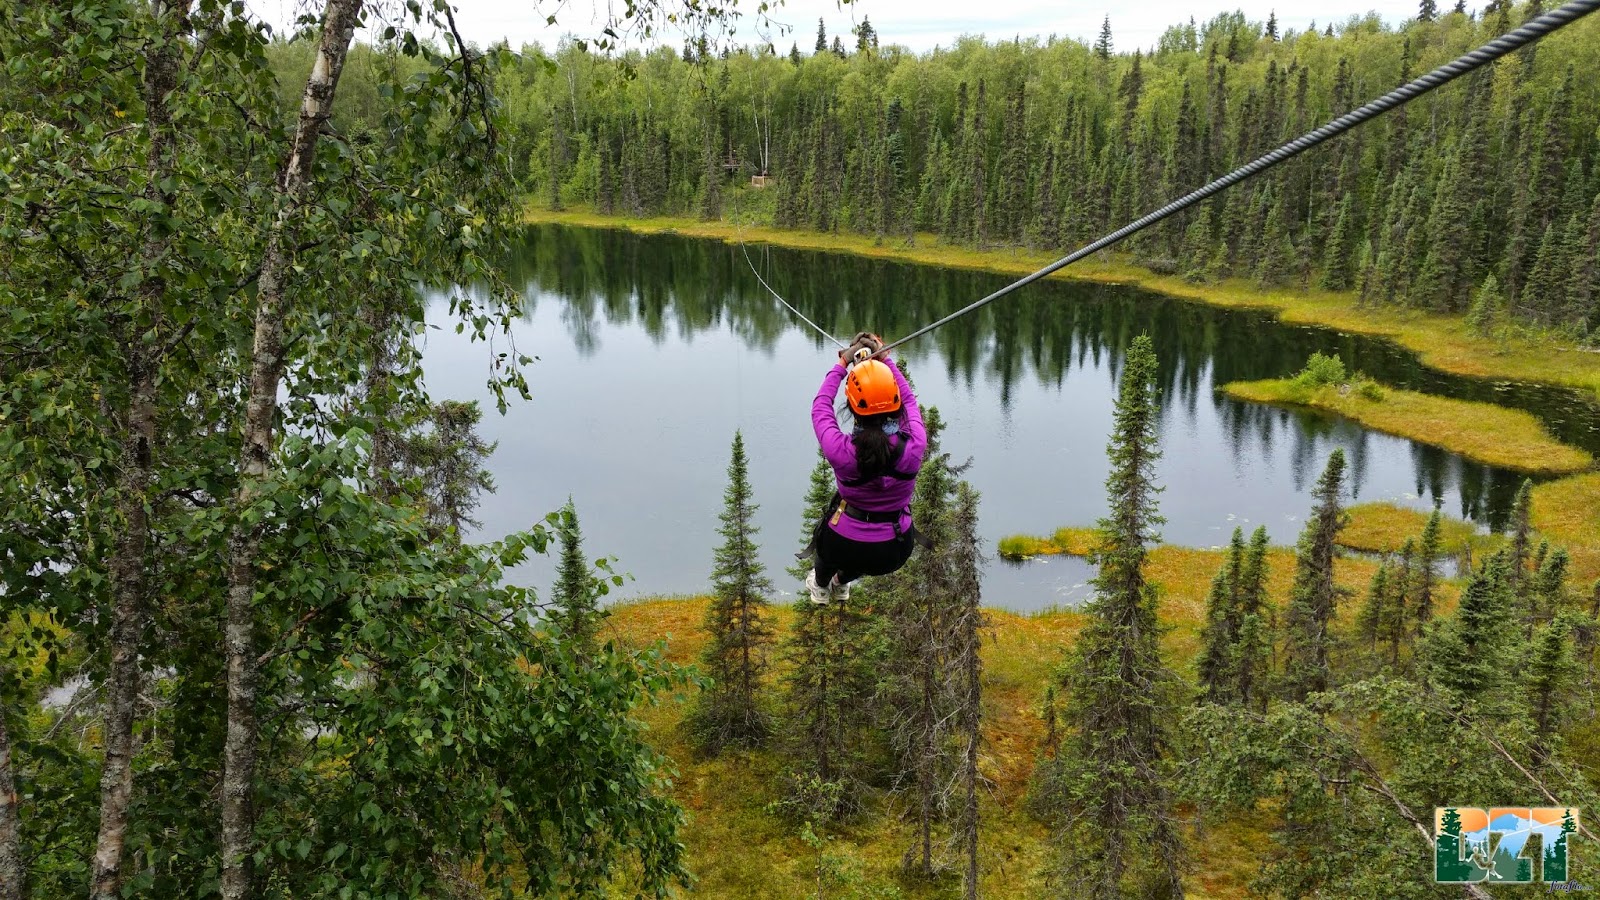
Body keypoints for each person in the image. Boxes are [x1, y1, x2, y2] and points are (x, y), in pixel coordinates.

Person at [803, 332, 928, 604]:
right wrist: (886, 360)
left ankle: (822, 584)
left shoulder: (843, 452)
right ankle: (841, 582)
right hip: (893, 551)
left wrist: (841, 364)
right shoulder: (914, 445)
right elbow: (909, 402)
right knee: (867, 554)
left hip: (843, 544)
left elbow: (820, 407)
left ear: (851, 405)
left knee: (833, 547)